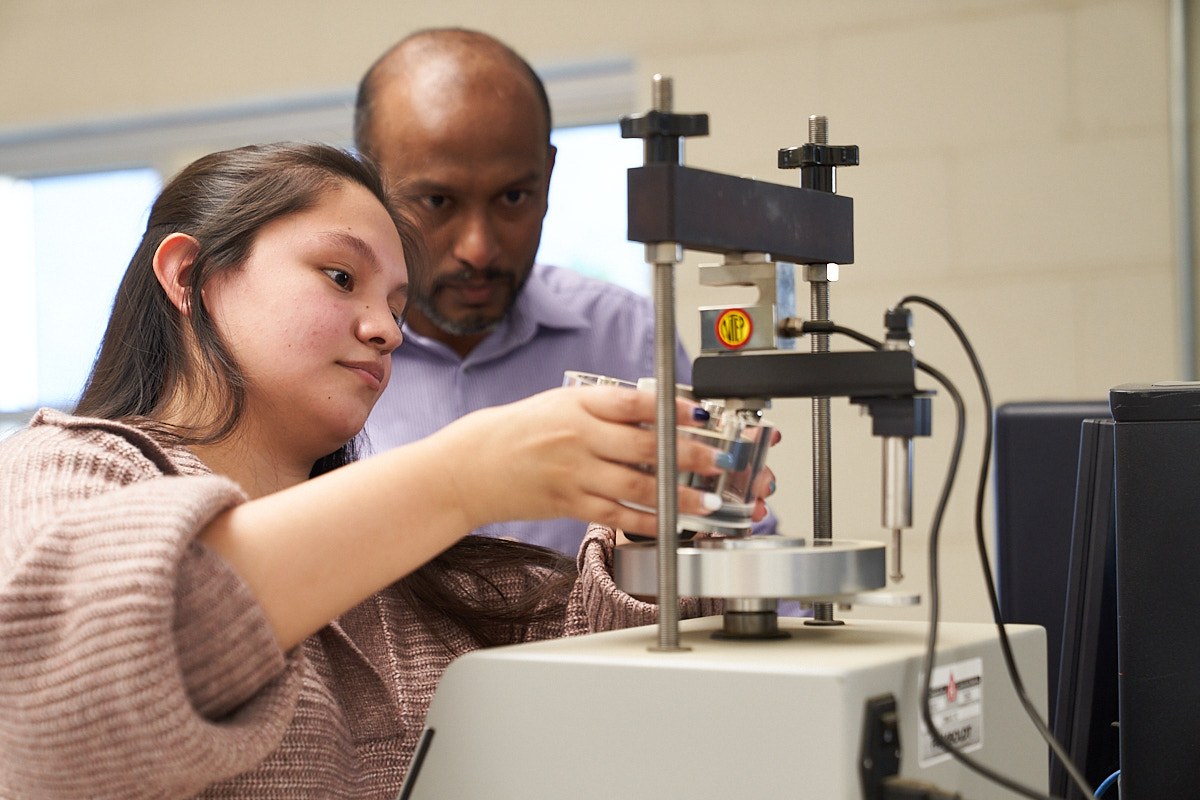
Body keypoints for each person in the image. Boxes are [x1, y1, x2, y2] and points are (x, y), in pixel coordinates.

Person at [0, 143, 737, 798]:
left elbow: (620, 691)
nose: (387, 330)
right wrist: (464, 476)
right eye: (340, 275)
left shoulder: (411, 576)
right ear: (190, 274)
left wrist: (651, 521)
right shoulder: (62, 470)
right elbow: (63, 702)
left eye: (396, 304)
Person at [353, 28, 693, 554]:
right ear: (369, 185)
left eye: (513, 196)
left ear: (549, 176)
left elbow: (721, 548)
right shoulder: (318, 358)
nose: (479, 249)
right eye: (438, 201)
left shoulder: (631, 340)